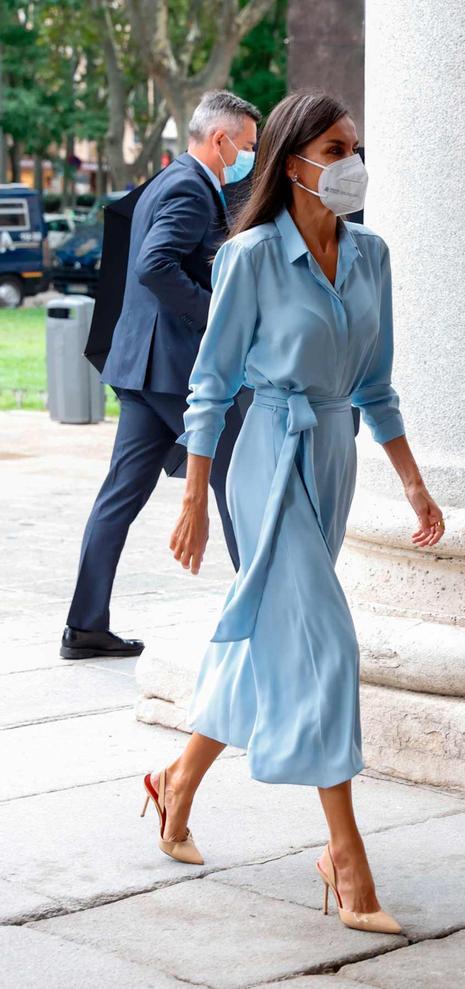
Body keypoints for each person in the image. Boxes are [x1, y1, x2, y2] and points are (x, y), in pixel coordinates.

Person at [140, 92, 445, 935]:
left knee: (272, 643)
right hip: (268, 457)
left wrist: (414, 483)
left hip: (334, 454)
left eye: (357, 145)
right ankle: (345, 855)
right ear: (295, 156)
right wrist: (196, 496)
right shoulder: (250, 256)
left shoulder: (373, 256)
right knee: (328, 645)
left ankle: (177, 781)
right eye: (338, 145)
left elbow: (375, 386)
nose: (352, 160)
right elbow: (212, 381)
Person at [60, 91, 261, 661]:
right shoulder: (191, 187)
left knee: (120, 496)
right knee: (234, 479)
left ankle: (85, 626)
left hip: (144, 368)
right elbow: (154, 266)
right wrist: (215, 310)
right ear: (220, 139)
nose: (247, 156)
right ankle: (267, 616)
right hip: (173, 369)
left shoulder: (171, 181)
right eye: (246, 146)